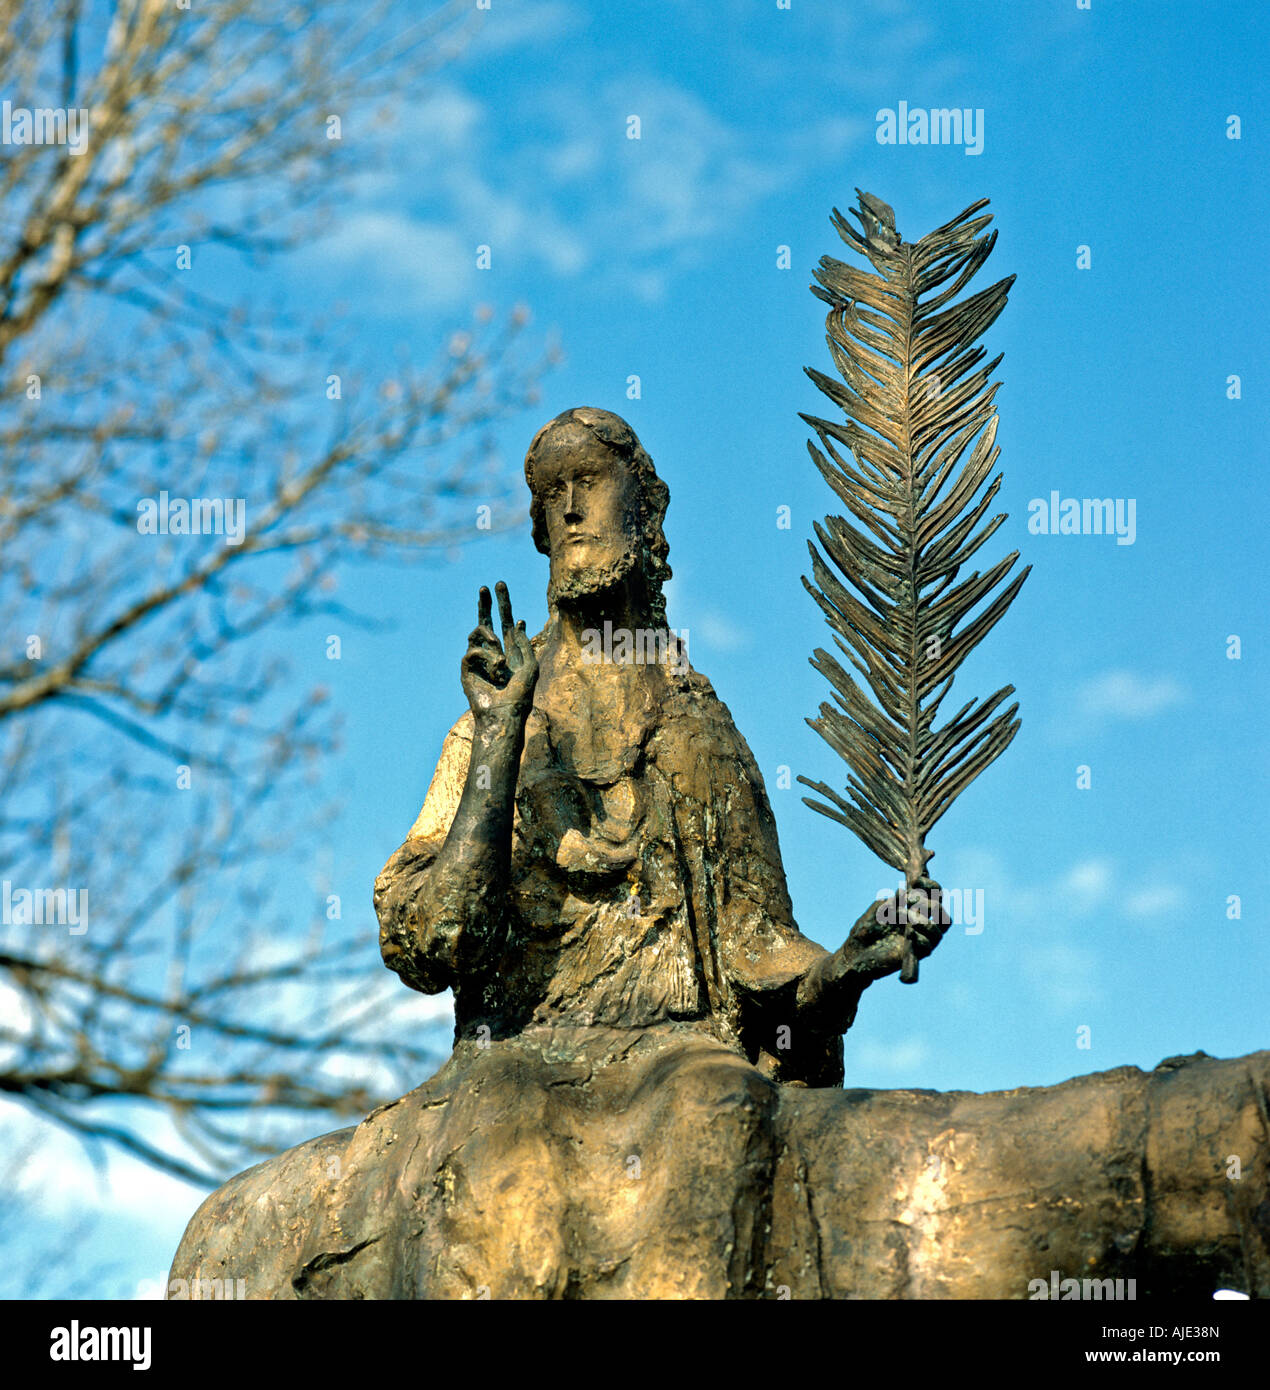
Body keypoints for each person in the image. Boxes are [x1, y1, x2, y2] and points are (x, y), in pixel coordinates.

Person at [355, 406, 948, 1297]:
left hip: (681, 1056)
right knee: (507, 1157)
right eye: (550, 498)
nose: (569, 512)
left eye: (588, 483)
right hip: (520, 1057)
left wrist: (843, 969)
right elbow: (429, 943)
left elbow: (758, 958)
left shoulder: (698, 729)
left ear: (648, 509)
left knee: (722, 1110)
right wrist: (500, 740)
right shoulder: (489, 726)